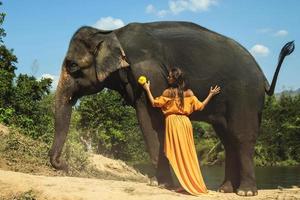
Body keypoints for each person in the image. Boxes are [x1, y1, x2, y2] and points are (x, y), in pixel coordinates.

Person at [142, 67, 221, 195]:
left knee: (178, 155)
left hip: (173, 123)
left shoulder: (168, 92)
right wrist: (210, 94)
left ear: (174, 79)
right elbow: (200, 107)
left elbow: (154, 103)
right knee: (188, 155)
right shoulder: (189, 93)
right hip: (185, 123)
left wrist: (147, 89)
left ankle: (186, 185)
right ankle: (189, 184)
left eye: (169, 76)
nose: (167, 77)